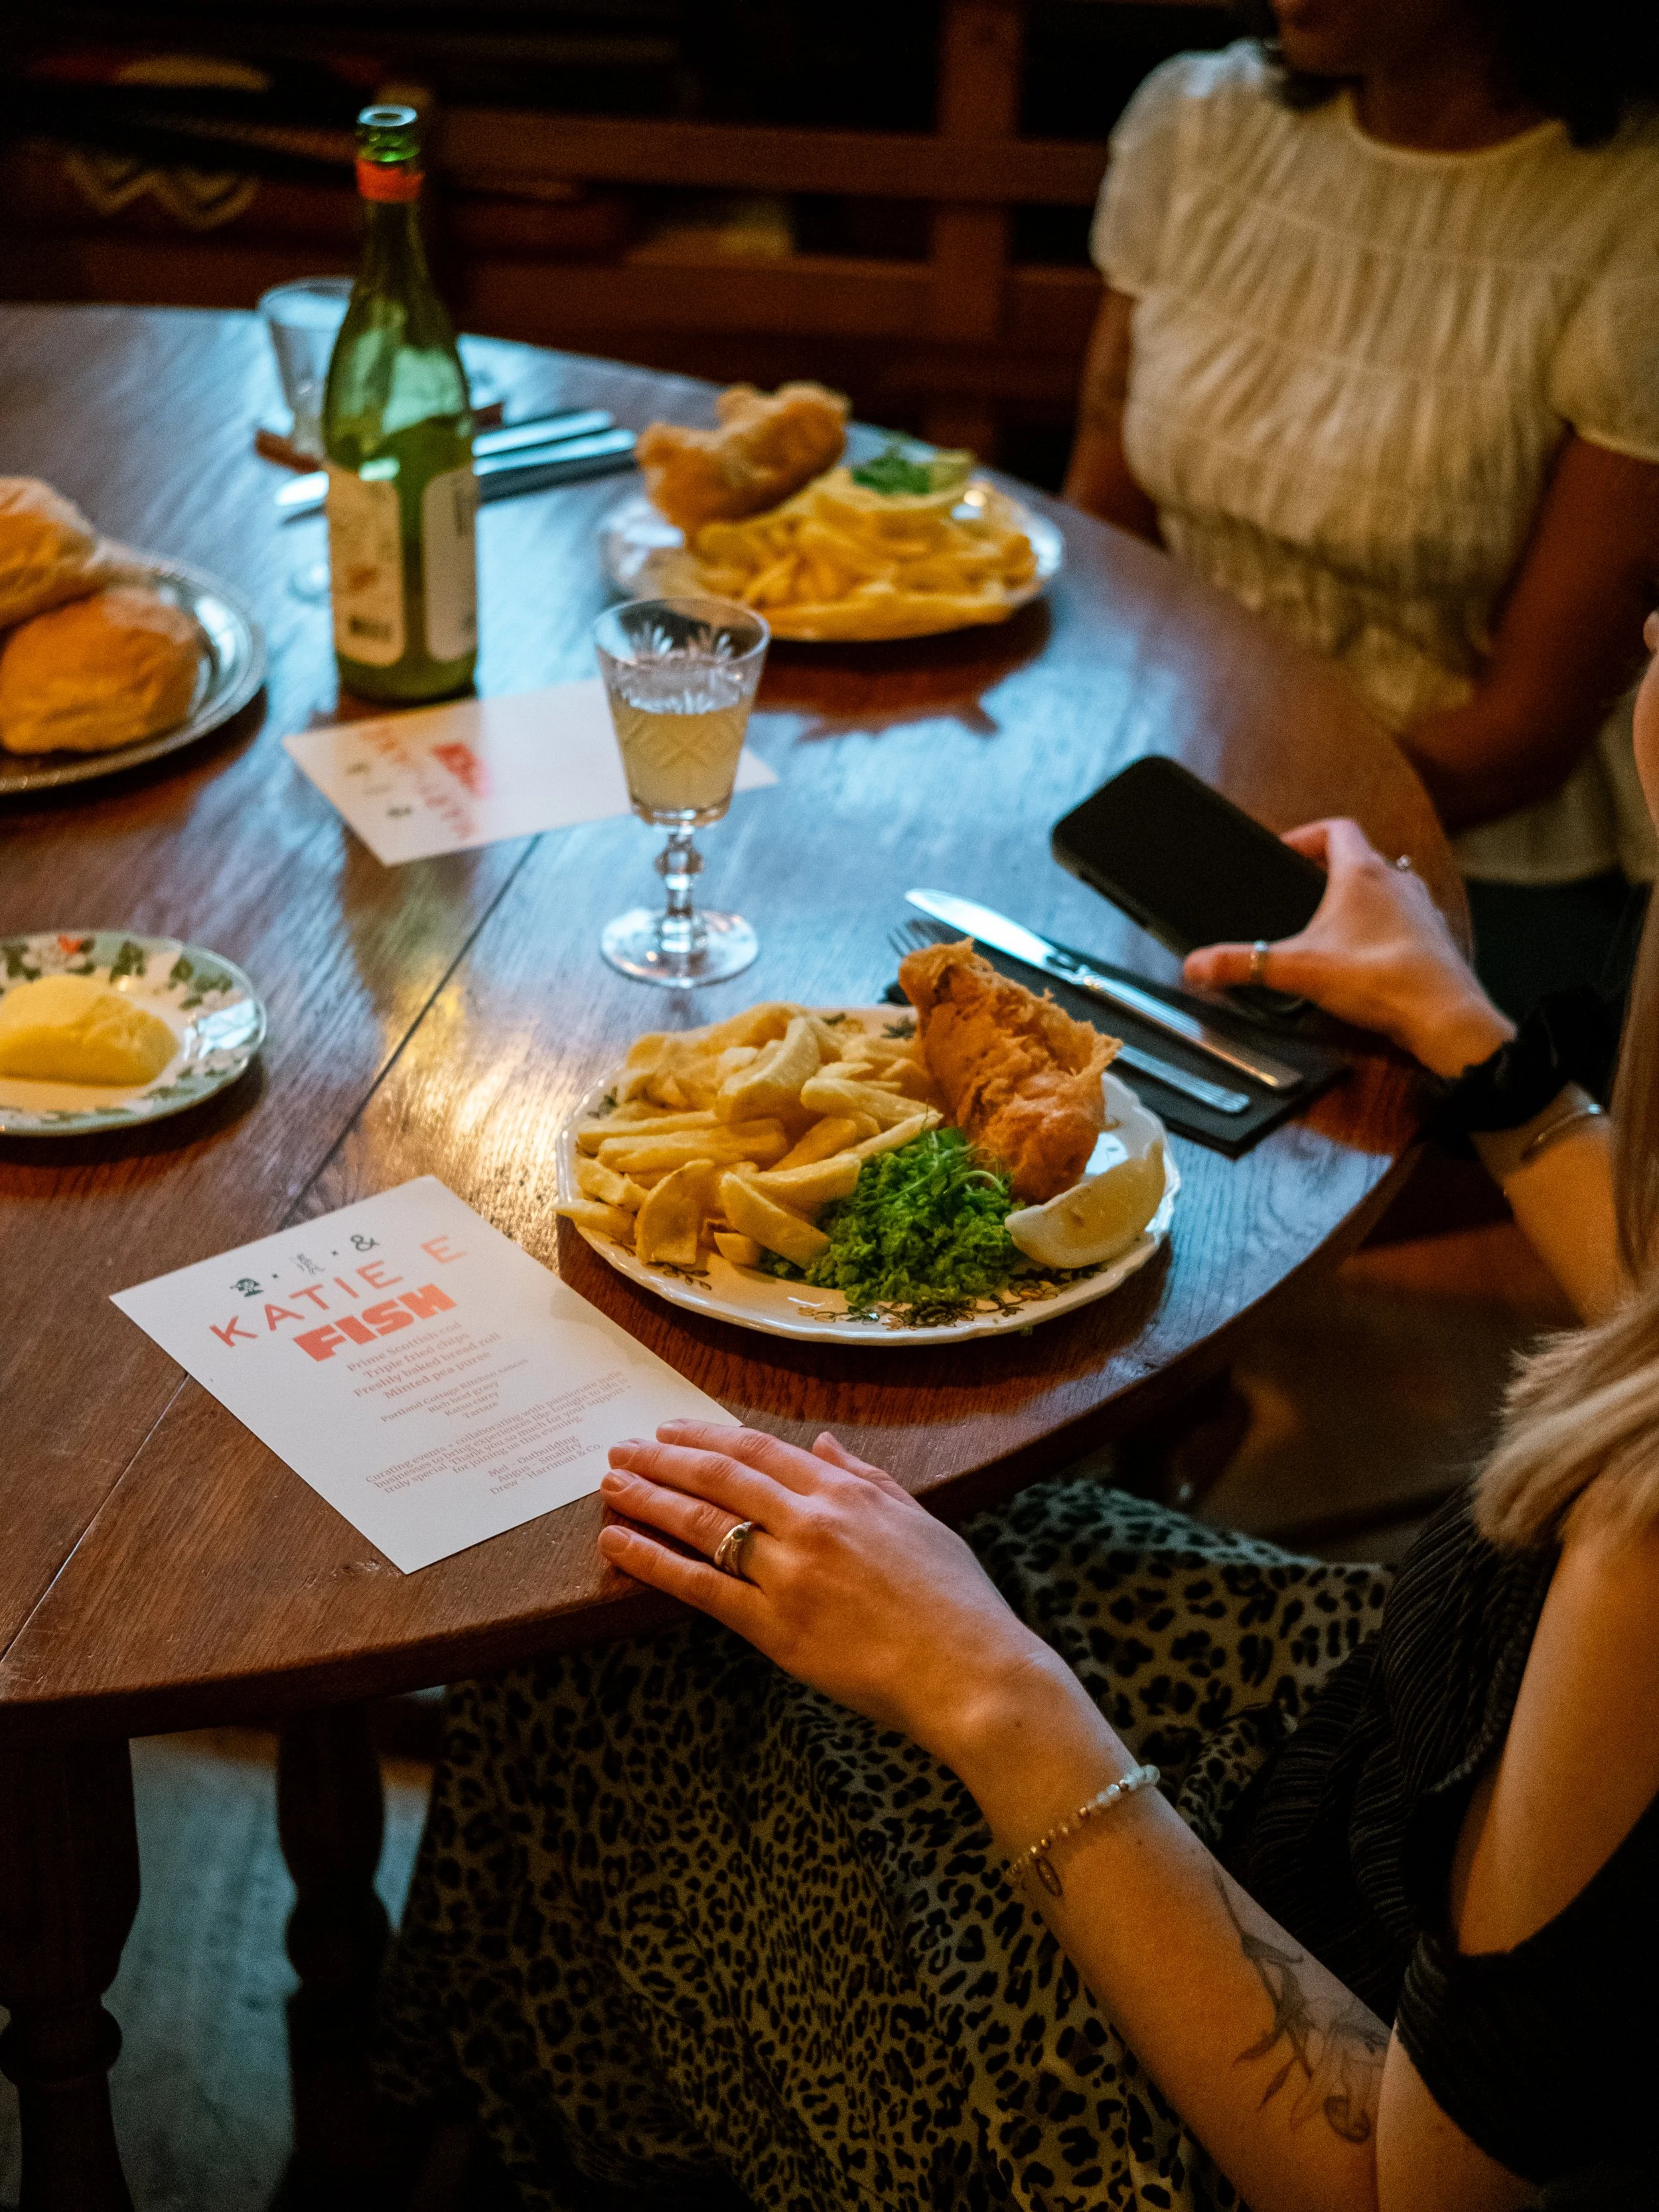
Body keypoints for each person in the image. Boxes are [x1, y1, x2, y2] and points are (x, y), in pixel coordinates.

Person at [375, 617, 1659, 2212]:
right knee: (667, 1545)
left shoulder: (1639, 1554)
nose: (1646, 639)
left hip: (1228, 2105)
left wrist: (987, 1680)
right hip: (1365, 1736)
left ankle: (514, 2133)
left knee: (597, 1655)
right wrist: (1476, 1047)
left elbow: (1397, 2186)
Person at [1062, 0, 1659, 1017]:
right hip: (1161, 799)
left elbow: (1528, 732)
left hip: (1463, 875)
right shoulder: (1198, 122)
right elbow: (1104, 536)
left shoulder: (1633, 213)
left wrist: (1206, 852)